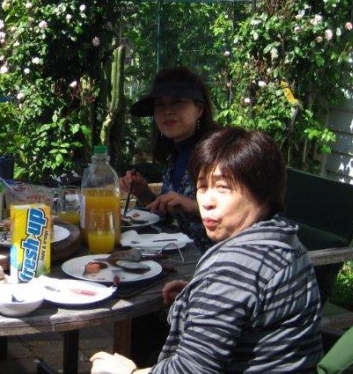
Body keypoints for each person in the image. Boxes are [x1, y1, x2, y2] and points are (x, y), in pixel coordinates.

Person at [92, 127, 323, 374]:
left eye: (222, 187)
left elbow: (191, 370)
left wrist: (130, 373)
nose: (207, 201)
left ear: (262, 192)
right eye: (202, 186)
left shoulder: (234, 267)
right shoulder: (285, 241)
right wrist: (200, 297)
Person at [121, 66, 218, 253]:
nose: (168, 111)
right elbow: (174, 214)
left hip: (218, 261)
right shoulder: (174, 155)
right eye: (160, 105)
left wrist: (193, 206)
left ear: (199, 109)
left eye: (178, 102)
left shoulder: (219, 154)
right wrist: (144, 194)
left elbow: (244, 217)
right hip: (179, 256)